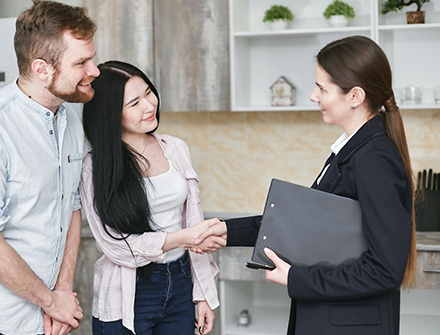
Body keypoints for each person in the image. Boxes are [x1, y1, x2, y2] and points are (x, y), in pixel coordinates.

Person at [195, 35, 416, 335]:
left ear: (355, 96)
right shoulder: (351, 151)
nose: (313, 96)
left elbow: (384, 271)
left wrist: (298, 278)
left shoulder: (374, 160)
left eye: (322, 88)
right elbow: (304, 225)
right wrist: (227, 230)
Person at [0, 1, 100, 335]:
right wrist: (51, 301)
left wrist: (61, 292)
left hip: (45, 312)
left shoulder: (70, 119)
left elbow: (70, 206)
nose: (94, 70)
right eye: (82, 62)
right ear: (42, 69)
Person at [80, 60, 223, 335]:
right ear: (110, 114)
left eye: (148, 93)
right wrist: (183, 237)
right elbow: (115, 247)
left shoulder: (175, 148)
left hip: (180, 283)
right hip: (128, 291)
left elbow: (193, 220)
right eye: (134, 103)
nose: (149, 105)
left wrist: (204, 293)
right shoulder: (94, 168)